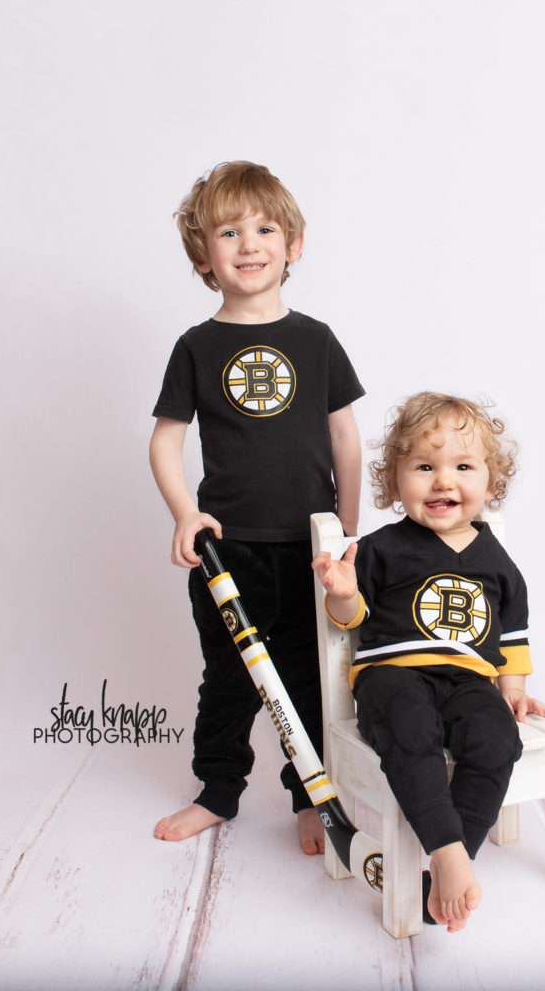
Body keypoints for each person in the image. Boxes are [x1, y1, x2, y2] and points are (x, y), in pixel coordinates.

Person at [150, 161, 364, 855]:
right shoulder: (197, 347)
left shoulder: (316, 339)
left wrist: (349, 529)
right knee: (231, 682)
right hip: (228, 549)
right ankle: (216, 792)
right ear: (203, 255)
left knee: (306, 677)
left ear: (292, 244)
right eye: (229, 231)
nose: (249, 244)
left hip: (308, 546)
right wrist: (187, 513)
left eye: (265, 228)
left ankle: (310, 795)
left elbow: (344, 437)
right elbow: (166, 441)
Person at [312, 392, 545, 931]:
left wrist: (512, 687)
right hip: (392, 676)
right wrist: (343, 592)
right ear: (395, 481)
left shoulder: (498, 561)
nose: (444, 481)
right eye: (425, 466)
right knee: (410, 726)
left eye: (463, 467)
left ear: (491, 481)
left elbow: (513, 632)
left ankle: (453, 858)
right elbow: (348, 620)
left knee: (497, 737)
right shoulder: (381, 549)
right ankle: (448, 850)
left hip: (470, 680)